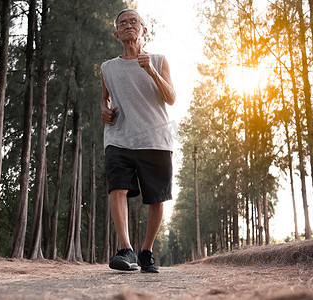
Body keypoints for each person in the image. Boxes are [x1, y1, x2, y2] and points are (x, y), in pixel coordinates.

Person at [100, 8, 176, 273]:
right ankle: (126, 249)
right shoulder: (107, 67)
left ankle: (146, 252)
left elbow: (171, 97)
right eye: (123, 23)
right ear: (116, 33)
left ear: (144, 30)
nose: (129, 25)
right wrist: (104, 109)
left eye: (134, 21)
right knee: (117, 188)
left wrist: (151, 71)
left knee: (156, 198)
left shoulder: (159, 59)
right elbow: (105, 97)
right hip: (119, 137)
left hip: (155, 138)